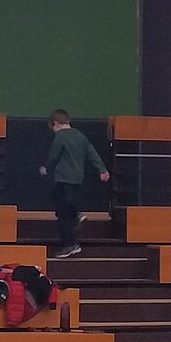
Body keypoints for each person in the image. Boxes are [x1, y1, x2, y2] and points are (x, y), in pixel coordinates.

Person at [38, 109, 111, 258]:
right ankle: (76, 216)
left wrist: (46, 167)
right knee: (67, 203)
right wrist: (102, 169)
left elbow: (54, 155)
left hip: (63, 178)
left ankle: (70, 244)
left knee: (62, 212)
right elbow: (92, 153)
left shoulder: (60, 136)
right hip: (77, 178)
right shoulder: (80, 136)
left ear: (56, 124)